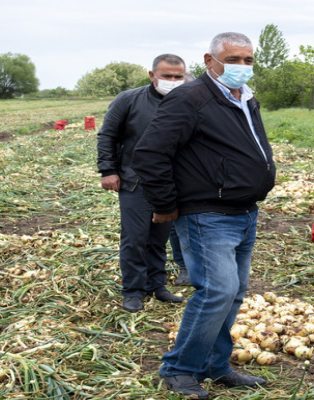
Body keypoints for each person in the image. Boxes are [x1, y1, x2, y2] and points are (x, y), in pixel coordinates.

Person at [132, 32, 276, 399]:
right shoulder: (190, 97)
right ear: (210, 61)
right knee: (216, 291)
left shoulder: (246, 97)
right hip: (207, 213)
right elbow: (150, 153)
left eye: (247, 60)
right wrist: (165, 205)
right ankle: (179, 369)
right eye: (233, 60)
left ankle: (215, 365)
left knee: (233, 293)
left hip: (244, 211)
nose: (241, 67)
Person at [97, 54, 188, 313]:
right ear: (152, 75)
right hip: (134, 181)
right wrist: (108, 170)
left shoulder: (187, 101)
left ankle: (156, 285)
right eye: (166, 76)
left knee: (159, 238)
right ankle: (133, 290)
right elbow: (107, 135)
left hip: (171, 182)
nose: (172, 81)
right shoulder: (129, 99)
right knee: (135, 238)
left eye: (177, 77)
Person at [171, 71, 196, 287]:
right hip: (169, 179)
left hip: (196, 179)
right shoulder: (164, 111)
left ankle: (196, 265)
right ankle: (184, 266)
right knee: (173, 225)